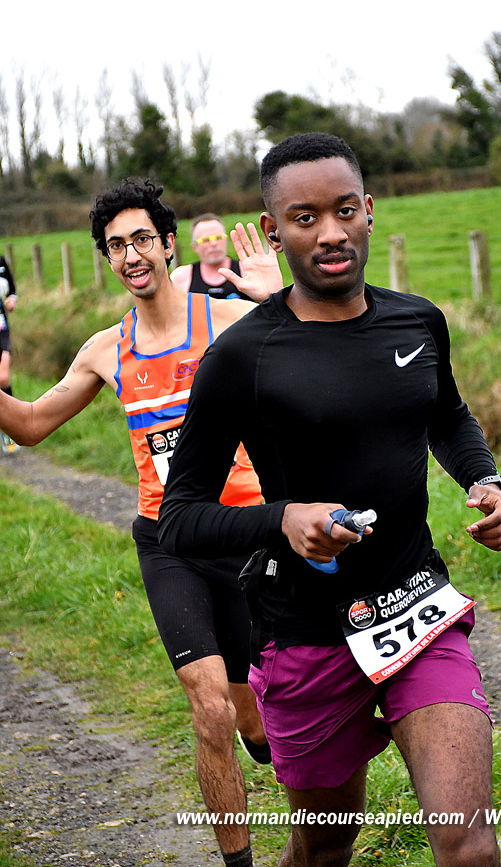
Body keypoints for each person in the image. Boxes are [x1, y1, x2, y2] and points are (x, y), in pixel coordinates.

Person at [158, 133, 501, 867]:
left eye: (344, 210)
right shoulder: (241, 357)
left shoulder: (418, 321)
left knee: (469, 847)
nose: (330, 233)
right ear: (273, 231)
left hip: (416, 609)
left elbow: (446, 416)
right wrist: (282, 520)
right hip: (305, 634)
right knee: (324, 847)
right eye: (305, 218)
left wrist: (485, 480)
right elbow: (180, 518)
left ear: (369, 211)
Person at [0, 177, 284, 867]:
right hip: (168, 541)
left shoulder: (231, 322)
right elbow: (31, 424)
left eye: (141, 240)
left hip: (245, 533)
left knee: (252, 710)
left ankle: (268, 745)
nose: (131, 255)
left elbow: (322, 355)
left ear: (168, 245)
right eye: (116, 245)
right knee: (209, 708)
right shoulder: (106, 350)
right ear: (107, 258)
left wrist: (277, 299)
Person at [171, 212, 251, 300]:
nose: (213, 243)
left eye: (218, 237)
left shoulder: (246, 271)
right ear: (195, 247)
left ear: (226, 240)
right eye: (206, 240)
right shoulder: (181, 278)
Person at [0, 254, 20, 454]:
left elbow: (12, 290)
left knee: (3, 378)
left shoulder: (1, 261)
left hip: (1, 328)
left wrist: (11, 300)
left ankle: (10, 430)